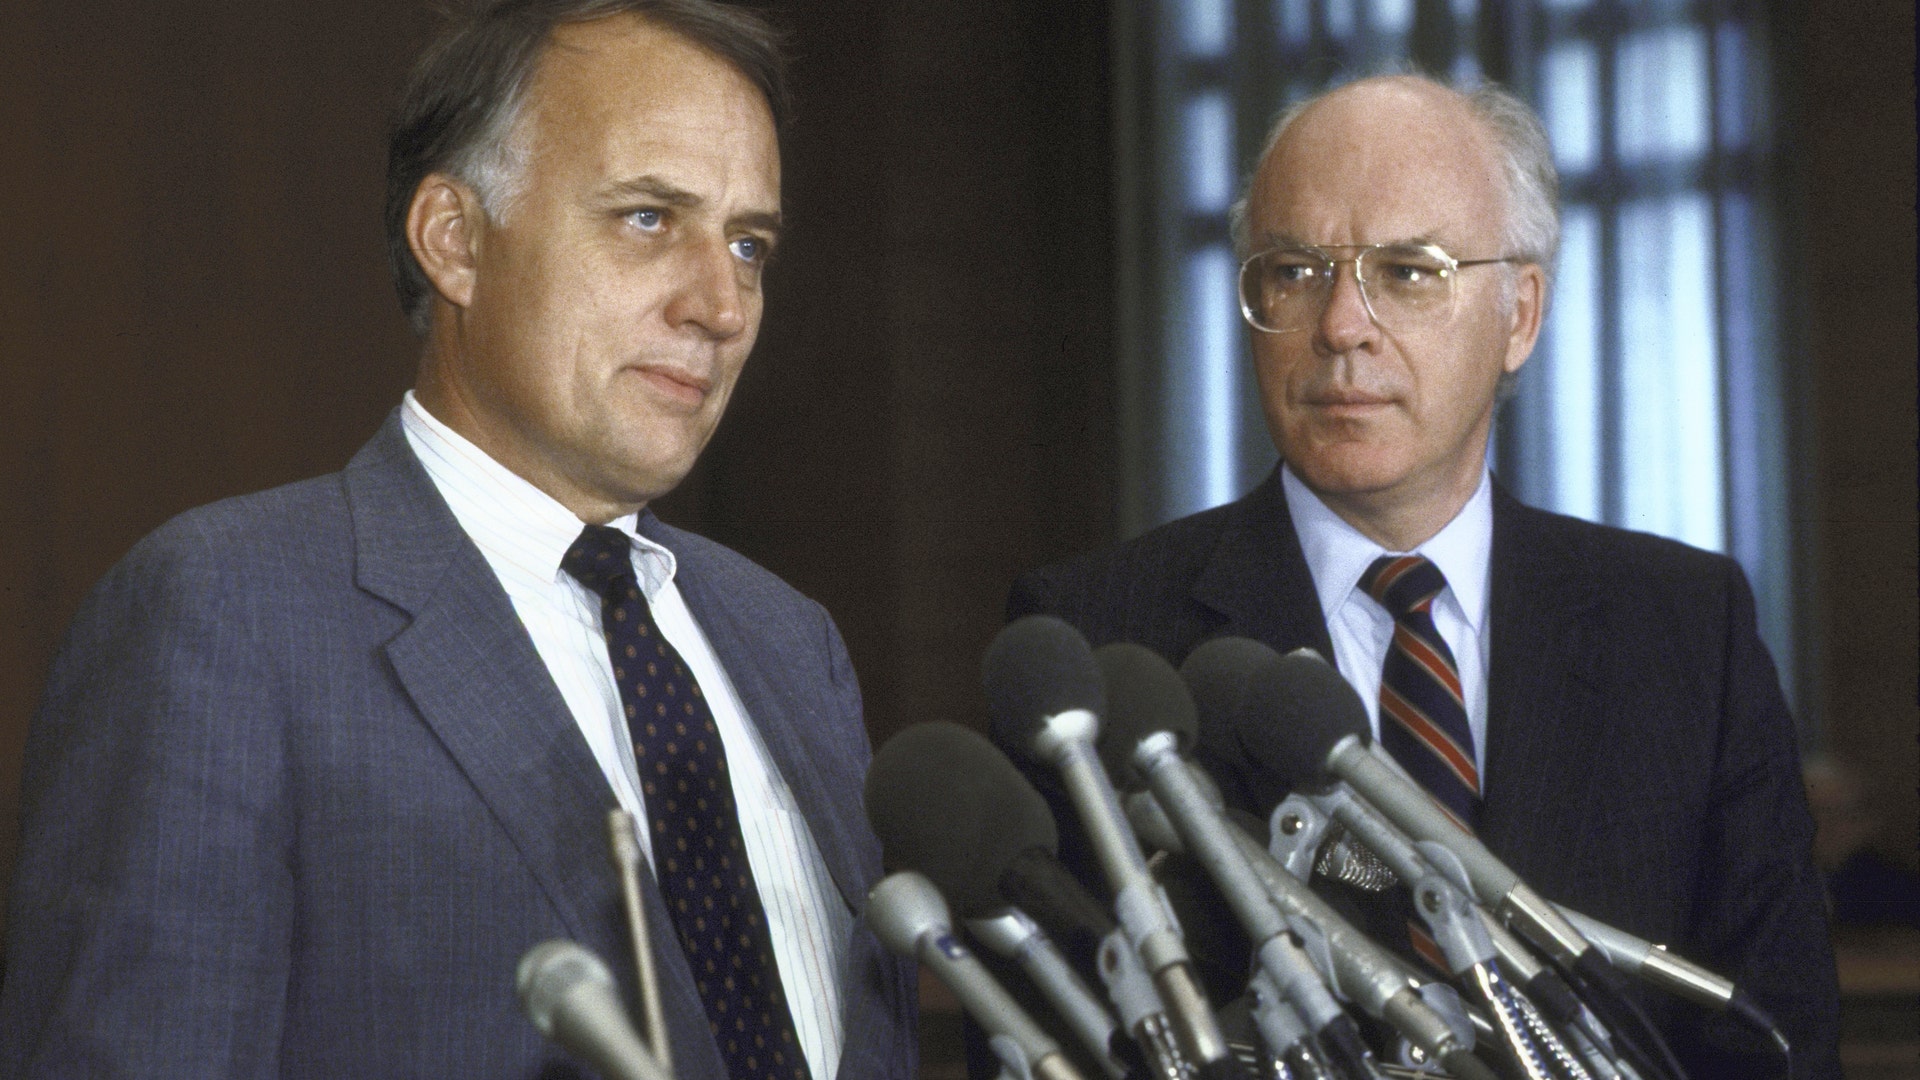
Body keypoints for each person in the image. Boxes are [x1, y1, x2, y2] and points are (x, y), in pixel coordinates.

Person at [0, 2, 916, 1078]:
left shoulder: (791, 642)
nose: (720, 304)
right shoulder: (225, 616)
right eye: (647, 218)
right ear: (456, 239)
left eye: (748, 244)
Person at [1009, 74, 1840, 1077]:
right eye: (1294, 271)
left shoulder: (1686, 629)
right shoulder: (1096, 642)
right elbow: (1054, 1031)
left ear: (1520, 315)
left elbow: (1778, 1039)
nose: (1341, 326)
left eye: (1407, 272)